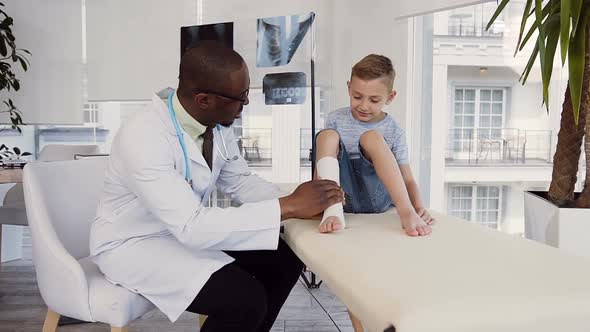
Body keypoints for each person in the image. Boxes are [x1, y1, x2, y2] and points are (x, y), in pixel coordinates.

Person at [89, 42, 344, 332]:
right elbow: (191, 226)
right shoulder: (144, 137)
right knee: (244, 300)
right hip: (134, 244)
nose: (246, 104)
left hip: (180, 232)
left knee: (283, 260)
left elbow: (240, 181)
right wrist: (289, 206)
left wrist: (306, 201)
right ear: (203, 99)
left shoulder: (214, 123)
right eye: (241, 97)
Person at [314, 53, 435, 331]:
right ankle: (330, 208)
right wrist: (316, 200)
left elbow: (407, 177)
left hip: (377, 196)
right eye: (357, 97)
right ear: (348, 88)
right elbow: (325, 161)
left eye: (374, 99)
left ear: (390, 98)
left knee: (370, 137)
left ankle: (403, 212)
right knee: (326, 136)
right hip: (343, 197)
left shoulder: (393, 130)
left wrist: (416, 208)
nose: (363, 106)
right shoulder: (336, 118)